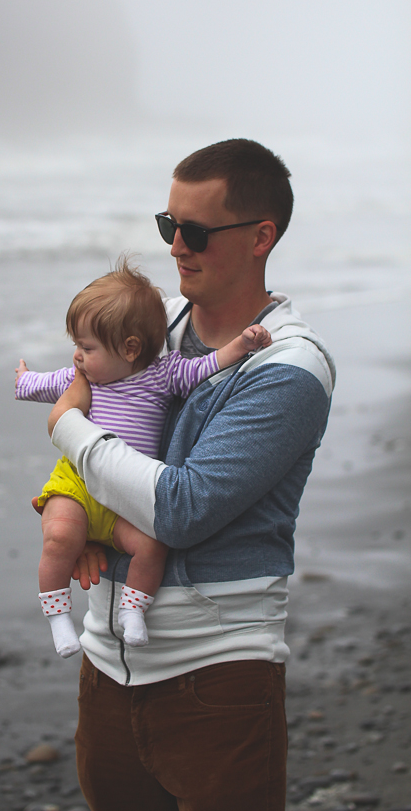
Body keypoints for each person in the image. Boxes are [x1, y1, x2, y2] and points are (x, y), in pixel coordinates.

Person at [44, 138, 336, 811]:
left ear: (261, 237)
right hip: (105, 666)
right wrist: (88, 525)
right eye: (168, 225)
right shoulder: (147, 331)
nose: (176, 246)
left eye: (196, 231)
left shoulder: (290, 369)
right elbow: (101, 458)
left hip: (217, 680)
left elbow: (182, 508)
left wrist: (68, 428)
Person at [15, 258, 271, 658]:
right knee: (61, 537)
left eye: (86, 347)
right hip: (78, 485)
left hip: (128, 500)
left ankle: (133, 612)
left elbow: (206, 366)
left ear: (130, 348)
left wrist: (242, 344)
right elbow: (39, 386)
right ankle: (58, 617)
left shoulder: (163, 374)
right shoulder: (80, 378)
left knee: (151, 547)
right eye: (76, 346)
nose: (77, 356)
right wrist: (23, 379)